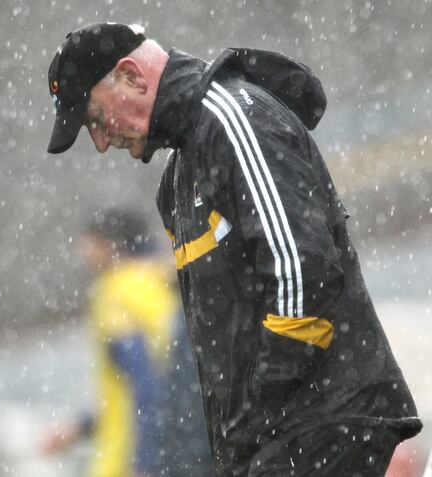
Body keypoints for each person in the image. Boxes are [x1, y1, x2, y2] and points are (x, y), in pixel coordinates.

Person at [44, 22, 422, 476]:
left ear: (132, 76)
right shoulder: (178, 175)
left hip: (315, 425)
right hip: (276, 440)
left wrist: (262, 407)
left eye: (97, 119)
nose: (102, 142)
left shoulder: (233, 118)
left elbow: (303, 269)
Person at [43, 208, 215, 477]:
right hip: (184, 445)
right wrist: (80, 427)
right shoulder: (160, 283)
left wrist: (146, 462)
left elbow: (144, 382)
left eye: (90, 242)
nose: (83, 252)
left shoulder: (117, 294)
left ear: (110, 245)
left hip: (127, 461)